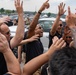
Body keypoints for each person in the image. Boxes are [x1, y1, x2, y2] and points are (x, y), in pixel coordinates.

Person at [0, 0, 25, 74]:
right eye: (7, 33)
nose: (10, 35)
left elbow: (19, 37)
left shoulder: (5, 45)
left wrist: (20, 14)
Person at [41, 2, 66, 75]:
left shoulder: (61, 34)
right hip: (52, 58)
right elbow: (52, 30)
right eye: (58, 25)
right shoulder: (53, 33)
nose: (59, 26)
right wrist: (58, 16)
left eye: (61, 25)